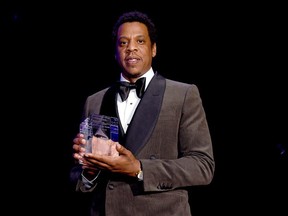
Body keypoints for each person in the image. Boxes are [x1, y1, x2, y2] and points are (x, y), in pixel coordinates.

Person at [70, 10, 215, 216]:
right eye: (123, 43)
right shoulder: (94, 101)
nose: (131, 48)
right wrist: (90, 170)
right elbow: (78, 176)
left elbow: (203, 166)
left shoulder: (182, 95)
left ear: (153, 49)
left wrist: (139, 169)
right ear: (115, 51)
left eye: (140, 41)